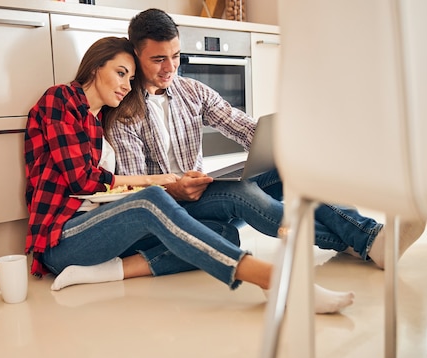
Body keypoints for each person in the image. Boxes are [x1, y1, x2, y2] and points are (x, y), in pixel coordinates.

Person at [24, 36, 355, 314]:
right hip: (61, 238)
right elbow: (82, 182)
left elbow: (104, 191)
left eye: (130, 78)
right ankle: (275, 278)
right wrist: (158, 180)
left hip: (101, 231)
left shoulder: (99, 120)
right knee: (150, 199)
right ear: (96, 67)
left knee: (224, 233)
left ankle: (107, 272)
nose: (126, 85)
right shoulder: (61, 99)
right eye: (120, 74)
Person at [106, 8, 426, 273]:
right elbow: (138, 193)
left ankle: (366, 239)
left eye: (175, 56)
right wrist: (173, 186)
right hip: (175, 206)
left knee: (294, 169)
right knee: (244, 192)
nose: (170, 67)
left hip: (205, 189)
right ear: (136, 55)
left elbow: (243, 128)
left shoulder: (192, 91)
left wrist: (283, 145)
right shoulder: (123, 110)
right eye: (158, 59)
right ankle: (365, 240)